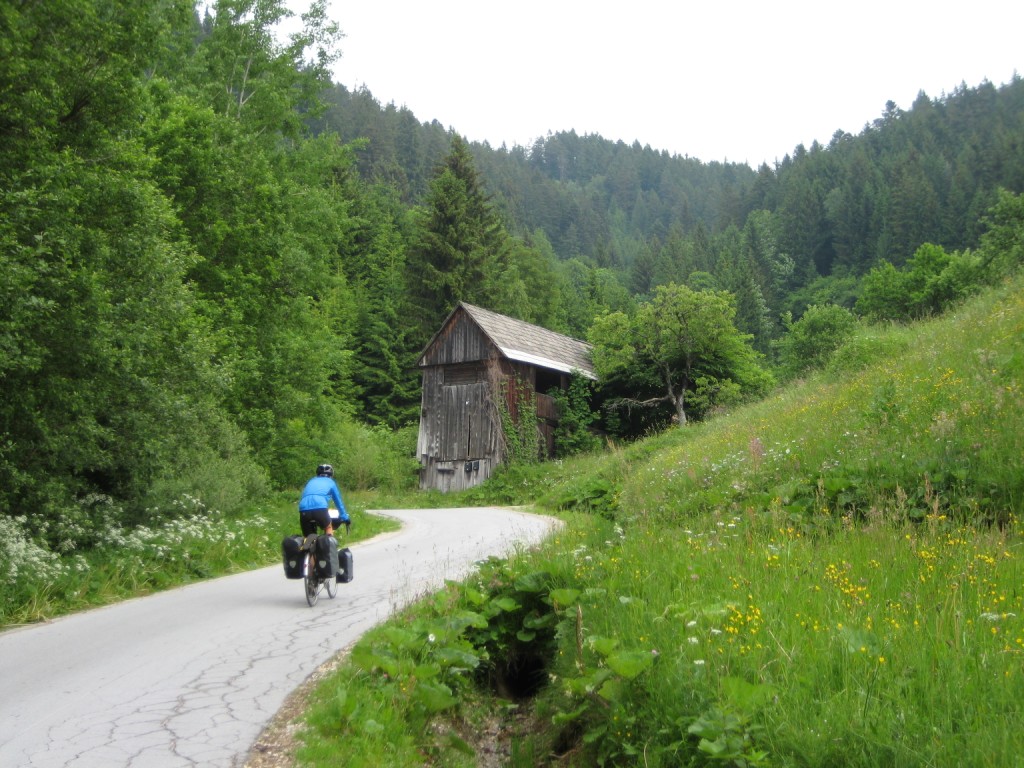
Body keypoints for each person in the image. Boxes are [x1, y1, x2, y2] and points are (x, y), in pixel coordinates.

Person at [298, 463, 349, 538]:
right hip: (320, 507)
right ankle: (329, 545)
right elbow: (338, 502)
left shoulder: (311, 481)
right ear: (331, 475)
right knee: (328, 527)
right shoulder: (331, 482)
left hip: (303, 509)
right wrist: (345, 517)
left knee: (308, 537)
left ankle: (307, 546)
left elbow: (305, 496)